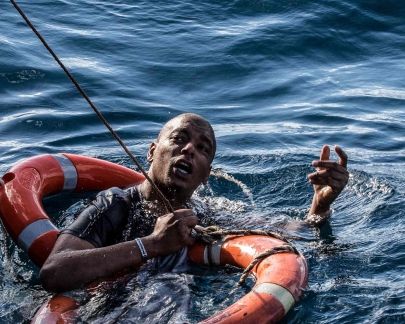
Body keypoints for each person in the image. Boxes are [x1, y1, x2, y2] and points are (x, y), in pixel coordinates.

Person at [39, 113, 349, 293]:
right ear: (151, 152)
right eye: (179, 139)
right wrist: (152, 244)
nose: (189, 150)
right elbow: (54, 272)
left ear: (205, 176)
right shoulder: (115, 204)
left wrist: (319, 206)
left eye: (202, 148)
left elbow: (295, 233)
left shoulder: (208, 215)